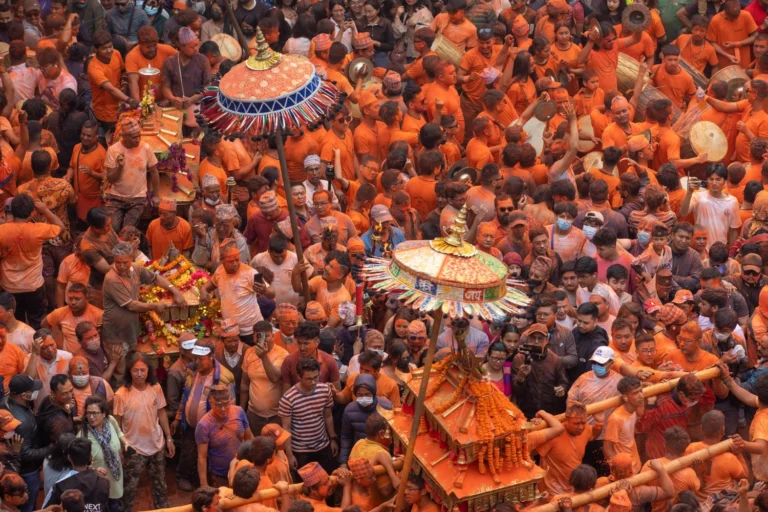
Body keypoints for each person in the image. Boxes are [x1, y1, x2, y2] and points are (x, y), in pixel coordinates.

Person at [102, 243, 183, 383]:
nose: (121, 266)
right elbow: (132, 306)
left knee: (129, 369)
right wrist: (155, 306)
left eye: (125, 262)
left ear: (131, 258)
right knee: (119, 373)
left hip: (130, 331)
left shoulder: (136, 269)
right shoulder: (112, 279)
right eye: (117, 263)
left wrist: (174, 290)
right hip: (115, 336)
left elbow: (155, 278)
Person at [113, 353, 174, 511]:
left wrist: (168, 438)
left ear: (148, 371)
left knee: (161, 486)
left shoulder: (156, 388)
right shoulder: (121, 394)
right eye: (135, 370)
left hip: (157, 444)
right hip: (133, 449)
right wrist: (120, 448)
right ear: (129, 371)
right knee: (129, 489)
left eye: (142, 370)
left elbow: (161, 413)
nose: (139, 374)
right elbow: (116, 423)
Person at [0, 194, 64, 329]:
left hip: (10, 285)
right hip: (33, 285)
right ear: (31, 213)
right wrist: (45, 210)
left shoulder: (2, 231)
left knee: (16, 322)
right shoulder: (38, 229)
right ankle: (37, 344)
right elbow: (60, 226)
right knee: (36, 321)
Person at [200, 239, 266, 346]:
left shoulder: (251, 272)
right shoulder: (220, 271)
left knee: (256, 359)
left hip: (251, 331)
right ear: (222, 261)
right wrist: (203, 290)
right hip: (231, 332)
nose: (235, 264)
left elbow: (271, 293)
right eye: (231, 261)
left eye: (237, 260)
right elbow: (211, 283)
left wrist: (265, 290)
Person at [279, 357, 338, 473]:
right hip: (301, 451)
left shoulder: (325, 390)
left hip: (323, 446)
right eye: (308, 379)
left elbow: (328, 416)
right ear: (299, 377)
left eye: (316, 377)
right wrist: (289, 454)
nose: (313, 382)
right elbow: (286, 428)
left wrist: (333, 439)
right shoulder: (288, 398)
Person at [103, 117, 160, 231]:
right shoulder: (113, 150)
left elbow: (154, 171)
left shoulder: (145, 148)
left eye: (139, 136)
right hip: (116, 197)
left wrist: (156, 195)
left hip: (137, 198)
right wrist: (120, 167)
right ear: (124, 136)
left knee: (127, 230)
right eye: (134, 137)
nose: (138, 139)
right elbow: (111, 179)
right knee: (112, 228)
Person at [0, 375, 47, 512]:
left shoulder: (4, 403)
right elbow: (25, 454)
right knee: (28, 506)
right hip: (26, 473)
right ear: (24, 395)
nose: (35, 392)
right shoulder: (22, 421)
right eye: (32, 390)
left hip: (18, 471)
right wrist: (51, 449)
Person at [196, 384, 252, 488]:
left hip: (242, 471)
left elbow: (250, 439)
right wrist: (204, 484)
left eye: (226, 404)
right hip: (219, 476)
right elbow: (202, 457)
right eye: (217, 405)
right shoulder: (204, 425)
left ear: (231, 401)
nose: (222, 409)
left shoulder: (239, 412)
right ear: (210, 403)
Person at [511, 323, 569, 419]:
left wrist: (562, 389)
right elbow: (516, 390)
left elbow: (564, 381)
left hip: (548, 413)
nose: (536, 341)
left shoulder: (555, 360)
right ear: (528, 339)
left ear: (547, 340)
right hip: (525, 412)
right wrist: (520, 378)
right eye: (533, 338)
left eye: (540, 338)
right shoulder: (520, 358)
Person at [79, 395, 124, 512]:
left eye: (95, 413)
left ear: (104, 414)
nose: (91, 417)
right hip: (96, 484)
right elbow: (77, 464)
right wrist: (93, 470)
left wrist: (126, 442)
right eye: (88, 413)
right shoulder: (82, 435)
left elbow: (119, 432)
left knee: (114, 506)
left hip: (115, 479)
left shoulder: (110, 421)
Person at [44, 437, 110, 512]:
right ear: (91, 458)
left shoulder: (60, 486)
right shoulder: (104, 482)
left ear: (69, 458)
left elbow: (46, 509)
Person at [42, 283, 103, 355]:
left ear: (87, 298)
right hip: (69, 357)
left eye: (77, 299)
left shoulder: (98, 314)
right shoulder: (61, 312)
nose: (73, 302)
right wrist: (56, 343)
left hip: (92, 357)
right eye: (70, 299)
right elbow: (44, 324)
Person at [604, 376, 645, 474]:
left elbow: (640, 412)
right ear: (625, 397)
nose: (641, 396)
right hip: (625, 471)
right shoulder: (616, 418)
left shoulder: (634, 408)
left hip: (636, 464)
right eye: (635, 393)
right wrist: (619, 470)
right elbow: (607, 449)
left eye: (641, 391)